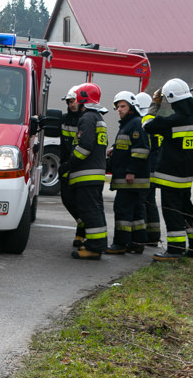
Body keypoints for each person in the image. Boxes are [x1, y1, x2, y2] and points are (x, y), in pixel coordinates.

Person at [142, 78, 193, 261]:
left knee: (172, 212)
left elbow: (147, 125)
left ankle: (175, 250)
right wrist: (192, 165)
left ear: (171, 99)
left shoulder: (173, 120)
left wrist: (154, 104)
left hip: (169, 177)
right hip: (186, 177)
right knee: (187, 209)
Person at [105, 91, 150, 254]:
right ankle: (137, 243)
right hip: (132, 179)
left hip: (130, 179)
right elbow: (128, 146)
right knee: (136, 212)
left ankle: (120, 244)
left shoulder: (136, 123)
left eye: (123, 106)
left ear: (131, 107)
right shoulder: (128, 124)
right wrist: (115, 149)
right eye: (117, 107)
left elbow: (140, 150)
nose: (119, 109)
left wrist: (131, 171)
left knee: (123, 210)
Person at [68, 83, 108, 260]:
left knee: (90, 211)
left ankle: (94, 247)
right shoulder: (97, 117)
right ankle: (96, 244)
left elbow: (84, 147)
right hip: (95, 174)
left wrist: (69, 164)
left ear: (83, 98)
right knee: (95, 210)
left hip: (86, 174)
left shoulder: (87, 118)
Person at [135, 91, 162, 246]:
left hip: (146, 169)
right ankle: (154, 236)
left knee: (142, 202)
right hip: (156, 170)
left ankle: (143, 236)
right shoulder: (157, 123)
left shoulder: (143, 123)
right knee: (150, 202)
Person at [58, 85, 84, 247]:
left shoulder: (86, 119)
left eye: (74, 101)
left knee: (81, 201)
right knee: (67, 198)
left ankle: (81, 233)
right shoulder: (64, 119)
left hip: (80, 165)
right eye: (69, 102)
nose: (71, 104)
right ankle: (82, 223)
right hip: (66, 165)